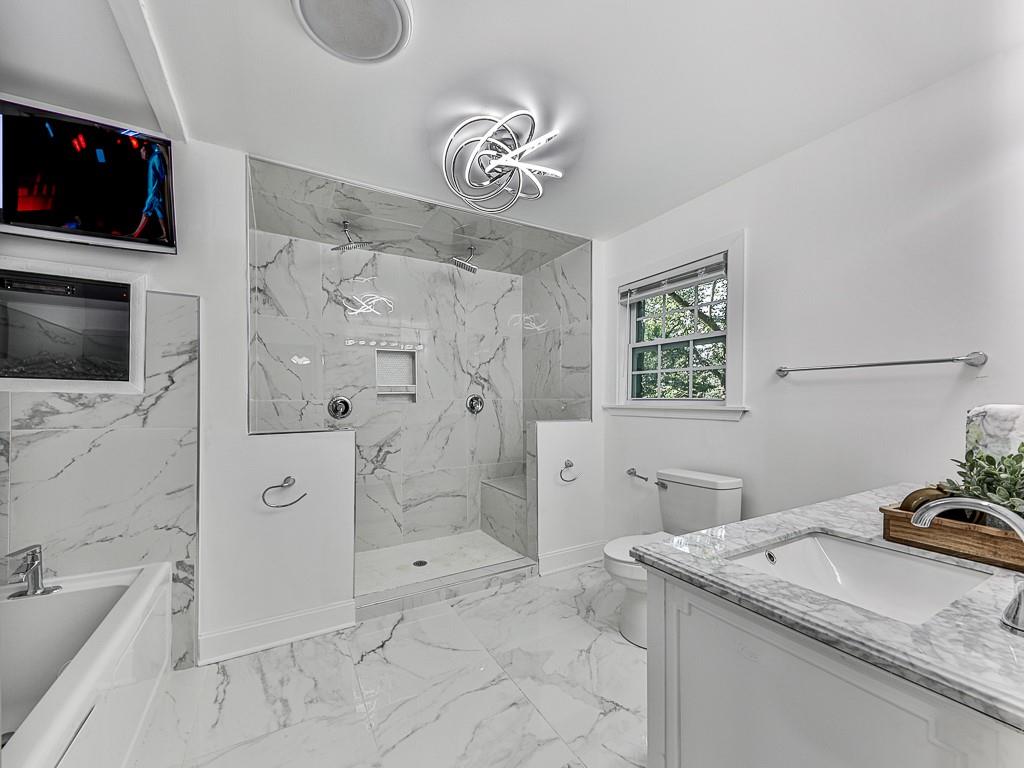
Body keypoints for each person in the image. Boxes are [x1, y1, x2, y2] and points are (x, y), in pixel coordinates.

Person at [131, 142, 169, 241]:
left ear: (146, 150)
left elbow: (162, 174)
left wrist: (156, 191)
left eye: (142, 151)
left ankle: (135, 234)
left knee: (146, 211)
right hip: (153, 192)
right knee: (160, 213)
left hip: (154, 193)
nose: (141, 154)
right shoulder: (152, 158)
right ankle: (166, 234)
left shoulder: (155, 157)